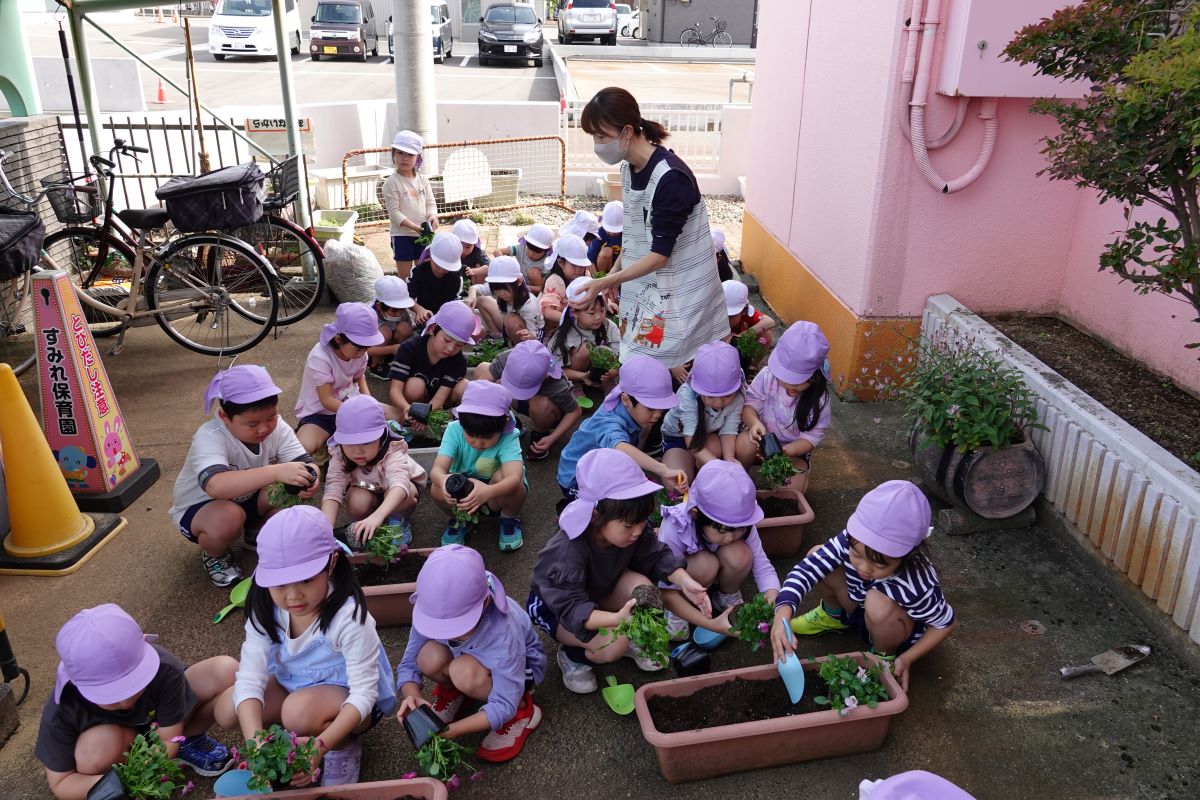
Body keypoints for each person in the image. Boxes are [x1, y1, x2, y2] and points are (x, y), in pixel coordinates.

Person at [215, 507, 397, 788]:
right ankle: (294, 739)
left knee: (296, 712)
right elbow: (250, 679)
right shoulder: (264, 607)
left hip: (349, 701)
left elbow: (364, 694)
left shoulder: (349, 618)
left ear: (332, 563)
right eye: (279, 584)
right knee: (228, 709)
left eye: (307, 579)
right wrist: (256, 744)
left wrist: (321, 746)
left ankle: (343, 746)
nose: (293, 596)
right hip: (296, 686)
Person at [527, 448, 713, 693]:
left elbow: (655, 554)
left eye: (642, 521)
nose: (637, 531)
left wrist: (685, 581)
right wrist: (616, 620)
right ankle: (572, 656)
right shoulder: (568, 552)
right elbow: (573, 609)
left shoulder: (626, 530)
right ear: (595, 515)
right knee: (614, 644)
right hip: (558, 610)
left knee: (643, 590)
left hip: (597, 589)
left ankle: (621, 636)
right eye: (628, 525)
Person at [576, 87, 729, 381]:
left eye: (601, 136)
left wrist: (608, 279)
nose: (597, 145)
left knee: (668, 370)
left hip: (679, 292)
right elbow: (635, 234)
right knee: (642, 368)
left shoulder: (671, 179)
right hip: (646, 291)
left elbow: (660, 255)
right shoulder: (629, 168)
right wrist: (616, 272)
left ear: (627, 131)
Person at [37, 605, 236, 800]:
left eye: (134, 682)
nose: (125, 699)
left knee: (226, 670)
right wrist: (119, 783)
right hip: (117, 750)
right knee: (95, 750)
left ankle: (188, 741)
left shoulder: (164, 668)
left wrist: (165, 750)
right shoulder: (62, 707)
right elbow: (61, 782)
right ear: (75, 682)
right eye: (111, 693)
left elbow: (168, 739)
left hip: (166, 729)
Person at [771, 481, 957, 684]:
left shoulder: (917, 582)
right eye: (856, 554)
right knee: (817, 555)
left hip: (892, 626)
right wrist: (782, 615)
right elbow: (806, 570)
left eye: (880, 563)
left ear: (908, 553)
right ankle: (834, 616)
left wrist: (907, 658)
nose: (864, 568)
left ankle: (883, 656)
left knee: (877, 603)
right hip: (859, 604)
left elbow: (945, 623)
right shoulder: (853, 539)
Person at [170, 365, 319, 587]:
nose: (264, 429)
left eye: (271, 418)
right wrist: (276, 471)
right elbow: (216, 486)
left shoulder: (277, 429)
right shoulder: (210, 436)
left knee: (293, 490)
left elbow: (306, 463)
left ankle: (255, 531)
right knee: (229, 517)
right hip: (203, 510)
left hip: (248, 499)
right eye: (252, 424)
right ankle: (215, 555)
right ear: (224, 417)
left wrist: (311, 478)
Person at [396, 545, 546, 762]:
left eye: (456, 625)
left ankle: (522, 712)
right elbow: (409, 664)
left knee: (463, 672)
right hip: (469, 660)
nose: (445, 632)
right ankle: (456, 692)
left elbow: (504, 701)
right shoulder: (431, 605)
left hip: (519, 672)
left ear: (485, 602)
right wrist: (413, 696)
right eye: (438, 625)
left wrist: (454, 730)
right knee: (428, 657)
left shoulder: (502, 633)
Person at [656, 461, 781, 640]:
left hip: (715, 571)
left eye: (738, 529)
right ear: (696, 513)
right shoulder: (675, 527)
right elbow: (665, 584)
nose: (730, 537)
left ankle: (726, 595)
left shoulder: (742, 524)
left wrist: (774, 597)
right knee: (706, 565)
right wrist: (704, 621)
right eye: (722, 530)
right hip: (685, 581)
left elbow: (763, 566)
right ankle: (678, 612)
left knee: (742, 555)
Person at [556, 355, 686, 499]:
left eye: (661, 408)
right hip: (576, 478)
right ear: (625, 400)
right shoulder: (610, 421)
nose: (657, 415)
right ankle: (573, 511)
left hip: (604, 466)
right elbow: (620, 446)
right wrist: (664, 470)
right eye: (651, 408)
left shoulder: (631, 394)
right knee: (618, 511)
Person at [430, 381, 528, 550]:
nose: (477, 442)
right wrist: (444, 480)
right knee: (437, 488)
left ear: (504, 424)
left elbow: (514, 477)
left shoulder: (509, 436)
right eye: (471, 435)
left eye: (487, 437)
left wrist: (488, 491)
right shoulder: (454, 430)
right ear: (461, 422)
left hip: (495, 494)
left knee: (512, 483)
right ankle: (459, 518)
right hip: (463, 493)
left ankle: (509, 518)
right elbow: (437, 470)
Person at [736, 321, 831, 495]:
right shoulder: (767, 376)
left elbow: (811, 438)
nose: (790, 386)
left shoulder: (819, 400)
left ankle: (795, 484)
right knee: (744, 443)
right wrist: (754, 423)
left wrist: (786, 451)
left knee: (792, 490)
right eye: (784, 379)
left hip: (792, 451)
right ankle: (737, 480)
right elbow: (750, 405)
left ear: (816, 376)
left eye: (798, 382)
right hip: (760, 441)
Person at [319, 395, 426, 548]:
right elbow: (333, 490)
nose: (357, 451)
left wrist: (378, 516)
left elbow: (399, 485)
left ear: (381, 434)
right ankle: (370, 528)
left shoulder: (392, 448)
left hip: (397, 492)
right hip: (368, 488)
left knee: (405, 493)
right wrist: (325, 530)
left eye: (367, 441)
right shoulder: (339, 453)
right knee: (356, 502)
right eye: (349, 443)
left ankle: (398, 522)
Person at [295, 303, 387, 456]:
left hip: (352, 403)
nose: (363, 353)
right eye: (359, 348)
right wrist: (360, 414)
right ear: (338, 339)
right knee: (302, 449)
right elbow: (326, 400)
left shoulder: (360, 353)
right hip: (321, 415)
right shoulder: (320, 356)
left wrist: (369, 402)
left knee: (397, 416)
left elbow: (359, 377)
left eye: (366, 348)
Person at [475, 340, 582, 462]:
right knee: (482, 369)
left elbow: (575, 411)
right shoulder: (509, 357)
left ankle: (541, 433)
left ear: (546, 376)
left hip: (548, 413)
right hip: (521, 402)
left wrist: (553, 437)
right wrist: (471, 414)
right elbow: (482, 383)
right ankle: (509, 420)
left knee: (541, 404)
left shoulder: (555, 384)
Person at [660, 339, 745, 483]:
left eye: (727, 395)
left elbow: (728, 430)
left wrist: (729, 458)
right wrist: (721, 467)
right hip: (678, 438)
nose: (719, 402)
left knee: (716, 452)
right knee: (676, 482)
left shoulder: (738, 396)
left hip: (707, 435)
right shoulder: (687, 395)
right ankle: (697, 468)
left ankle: (703, 475)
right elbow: (691, 441)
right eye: (711, 396)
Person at [388, 300, 474, 424]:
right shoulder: (409, 349)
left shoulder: (458, 362)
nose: (450, 349)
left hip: (439, 403)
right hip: (411, 399)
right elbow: (395, 390)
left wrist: (425, 415)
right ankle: (410, 417)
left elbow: (440, 397)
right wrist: (407, 408)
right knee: (415, 385)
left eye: (459, 345)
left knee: (465, 386)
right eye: (447, 340)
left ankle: (456, 422)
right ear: (432, 329)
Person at [382, 130, 438, 279]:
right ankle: (405, 301)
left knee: (425, 274)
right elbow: (394, 213)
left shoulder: (423, 181)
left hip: (424, 234)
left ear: (418, 157)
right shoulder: (391, 183)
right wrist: (415, 227)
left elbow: (431, 203)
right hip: (402, 236)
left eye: (410, 154)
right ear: (393, 154)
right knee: (405, 277)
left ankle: (422, 300)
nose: (404, 158)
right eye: (400, 153)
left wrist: (433, 216)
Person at [547, 277, 621, 388]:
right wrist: (582, 376)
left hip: (604, 374)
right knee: (585, 349)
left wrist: (613, 372)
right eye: (591, 313)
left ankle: (604, 384)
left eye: (602, 310)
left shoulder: (609, 326)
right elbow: (554, 368)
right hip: (577, 373)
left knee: (605, 351)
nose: (598, 317)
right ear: (575, 312)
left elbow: (620, 354)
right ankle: (576, 386)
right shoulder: (565, 332)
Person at [468, 255, 544, 344]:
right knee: (481, 300)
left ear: (519, 281)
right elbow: (475, 288)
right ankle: (497, 338)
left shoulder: (530, 305)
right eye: (497, 288)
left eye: (504, 289)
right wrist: (471, 297)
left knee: (510, 320)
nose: (500, 293)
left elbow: (537, 335)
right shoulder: (500, 287)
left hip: (525, 335)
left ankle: (515, 347)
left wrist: (529, 336)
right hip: (507, 326)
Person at [366, 276, 417, 381]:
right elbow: (363, 350)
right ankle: (377, 366)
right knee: (385, 331)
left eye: (402, 309)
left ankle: (399, 363)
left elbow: (408, 334)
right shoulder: (369, 316)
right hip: (372, 353)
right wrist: (392, 349)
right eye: (394, 310)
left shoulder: (403, 314)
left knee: (405, 327)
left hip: (395, 350)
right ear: (379, 306)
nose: (399, 313)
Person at [408, 232, 465, 323]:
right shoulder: (419, 272)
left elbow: (450, 304)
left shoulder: (455, 278)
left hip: (444, 316)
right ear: (430, 255)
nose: (441, 270)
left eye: (446, 268)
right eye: (438, 265)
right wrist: (419, 310)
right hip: (424, 316)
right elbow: (408, 297)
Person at [539, 234, 592, 330]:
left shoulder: (585, 275)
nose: (579, 270)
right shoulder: (555, 281)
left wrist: (608, 303)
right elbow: (548, 312)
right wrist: (572, 319)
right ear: (560, 262)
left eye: (581, 265)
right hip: (556, 324)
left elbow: (595, 291)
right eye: (574, 265)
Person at [494, 223, 553, 295]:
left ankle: (532, 296)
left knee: (533, 272)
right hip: (520, 281)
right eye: (529, 248)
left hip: (536, 290)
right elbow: (497, 251)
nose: (531, 254)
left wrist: (524, 287)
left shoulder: (547, 262)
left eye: (537, 252)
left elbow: (541, 288)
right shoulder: (521, 248)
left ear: (546, 251)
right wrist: (506, 264)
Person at [723, 279, 775, 347]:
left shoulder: (746, 314)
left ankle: (755, 357)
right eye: (722, 314)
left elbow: (770, 322)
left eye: (730, 316)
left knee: (765, 334)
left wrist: (741, 336)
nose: (725, 319)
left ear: (744, 311)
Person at [451, 218, 491, 284]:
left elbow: (489, 267)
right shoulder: (450, 251)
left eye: (468, 246)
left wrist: (473, 271)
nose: (463, 250)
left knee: (479, 266)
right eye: (459, 245)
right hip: (454, 281)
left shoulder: (476, 252)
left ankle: (476, 291)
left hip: (470, 283)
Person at [590, 200, 623, 274]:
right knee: (606, 251)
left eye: (616, 230)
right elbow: (590, 258)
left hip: (621, 268)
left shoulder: (628, 233)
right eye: (609, 230)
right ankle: (603, 276)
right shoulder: (600, 232)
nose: (612, 233)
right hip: (604, 266)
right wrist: (596, 278)